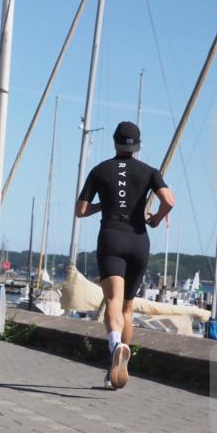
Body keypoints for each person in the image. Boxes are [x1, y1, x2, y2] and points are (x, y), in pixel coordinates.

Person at [75, 121, 174, 390]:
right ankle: (116, 367)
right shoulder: (149, 171)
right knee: (128, 307)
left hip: (112, 237)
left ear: (114, 141)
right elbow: (169, 200)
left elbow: (80, 210)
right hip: (138, 240)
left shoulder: (99, 170)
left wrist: (103, 205)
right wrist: (155, 220)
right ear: (138, 145)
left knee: (113, 301)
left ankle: (116, 345)